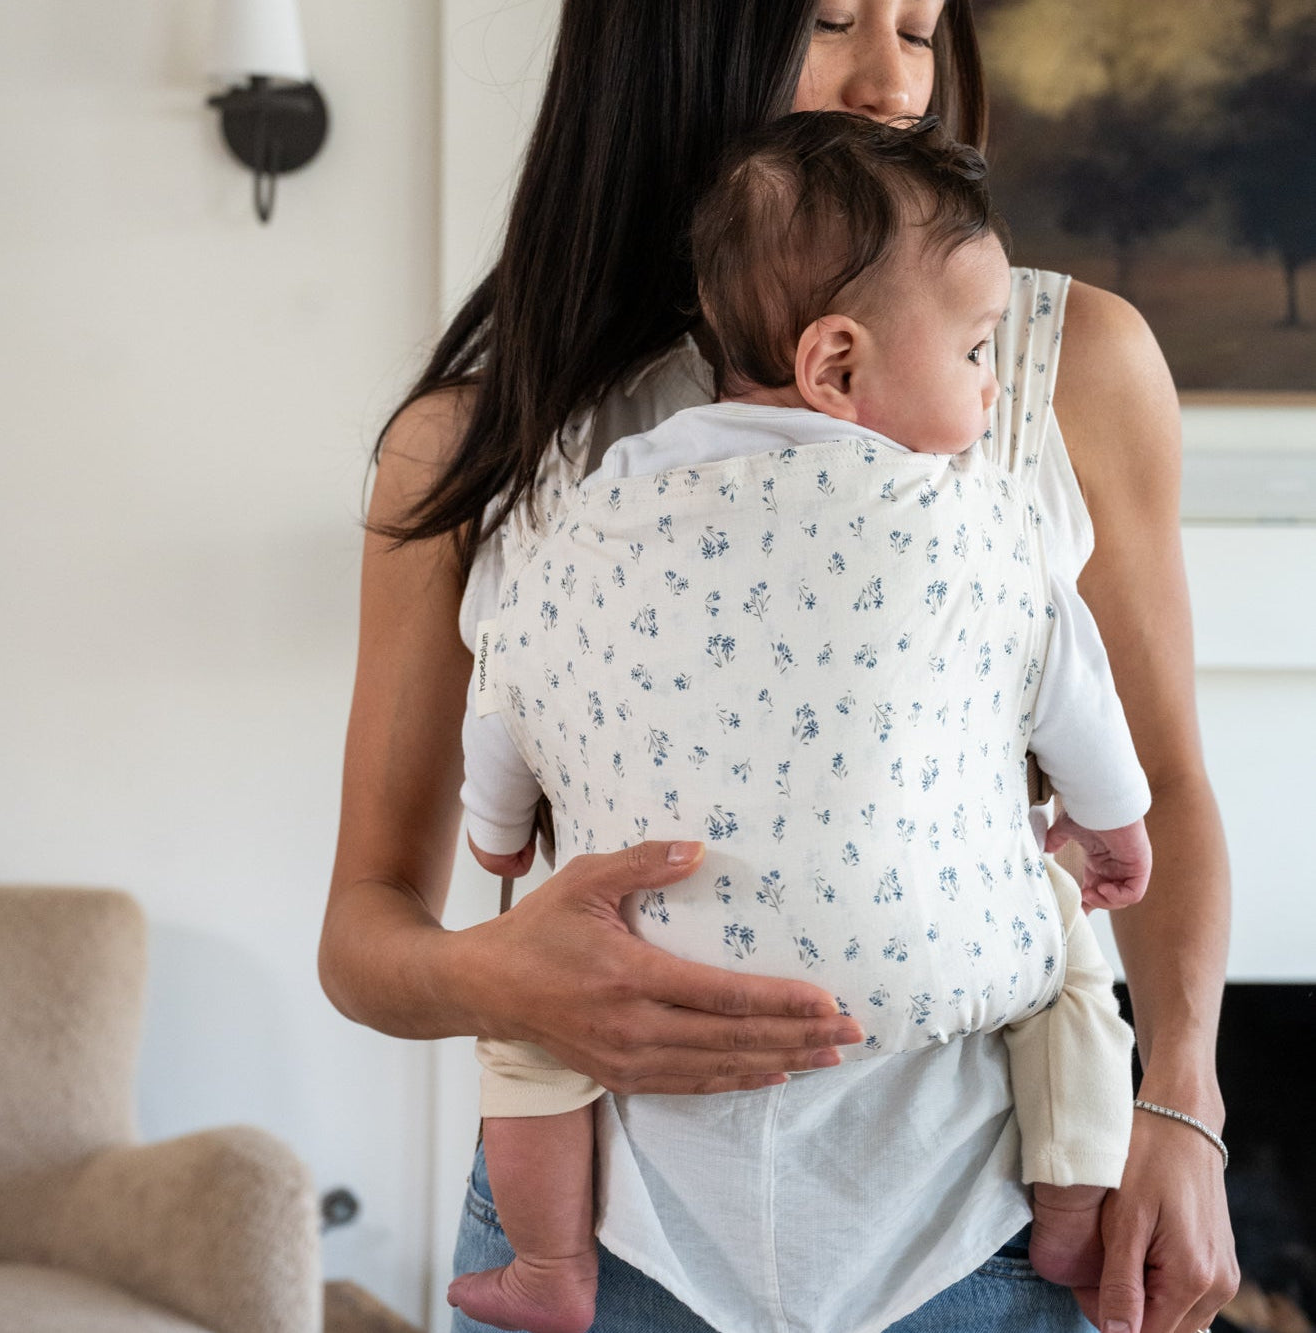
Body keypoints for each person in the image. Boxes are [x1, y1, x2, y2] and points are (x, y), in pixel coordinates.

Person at [318, 4, 1238, 1331]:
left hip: (982, 1253)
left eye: (920, 30)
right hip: (615, 1254)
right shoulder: (483, 439)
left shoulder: (1057, 365)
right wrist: (499, 975)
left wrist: (1181, 1107)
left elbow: (1159, 789)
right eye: (830, 18)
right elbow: (364, 934)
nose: (887, 82)